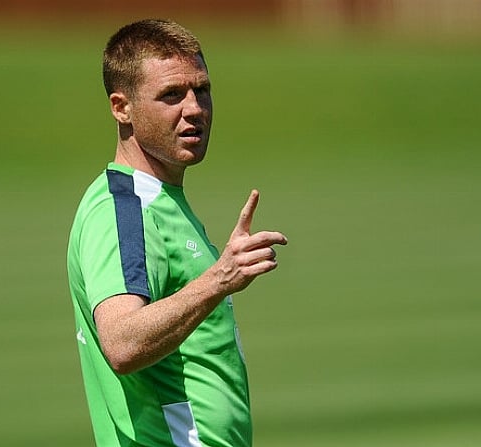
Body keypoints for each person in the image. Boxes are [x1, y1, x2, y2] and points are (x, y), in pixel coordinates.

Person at [66, 19, 288, 447]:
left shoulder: (160, 201)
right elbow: (121, 342)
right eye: (171, 95)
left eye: (201, 89)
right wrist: (219, 279)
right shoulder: (123, 209)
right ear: (121, 107)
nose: (194, 109)